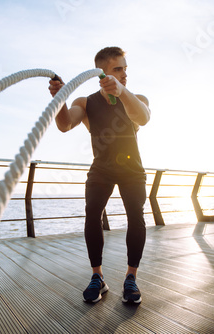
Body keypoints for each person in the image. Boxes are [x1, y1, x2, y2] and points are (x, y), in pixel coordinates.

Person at [48, 46, 150, 304]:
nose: (124, 74)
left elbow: (144, 118)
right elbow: (65, 124)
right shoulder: (85, 102)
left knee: (135, 217)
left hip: (131, 169)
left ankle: (131, 278)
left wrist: (122, 91)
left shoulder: (135, 98)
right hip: (101, 169)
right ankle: (98, 277)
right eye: (118, 69)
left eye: (125, 69)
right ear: (101, 73)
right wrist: (59, 99)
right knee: (92, 213)